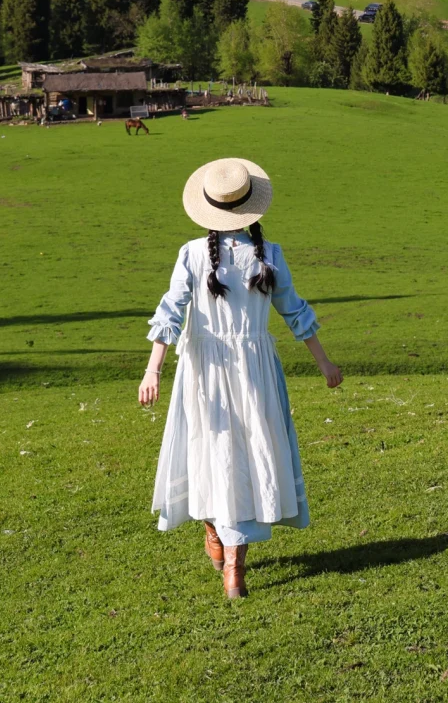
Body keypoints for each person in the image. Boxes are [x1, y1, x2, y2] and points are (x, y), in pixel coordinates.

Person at [138, 157, 342, 599]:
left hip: (218, 371)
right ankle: (223, 538)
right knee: (236, 454)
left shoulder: (223, 254)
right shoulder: (221, 255)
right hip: (236, 370)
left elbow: (171, 313)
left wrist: (153, 370)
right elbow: (293, 311)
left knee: (221, 453)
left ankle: (232, 562)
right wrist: (324, 363)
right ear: (252, 207)